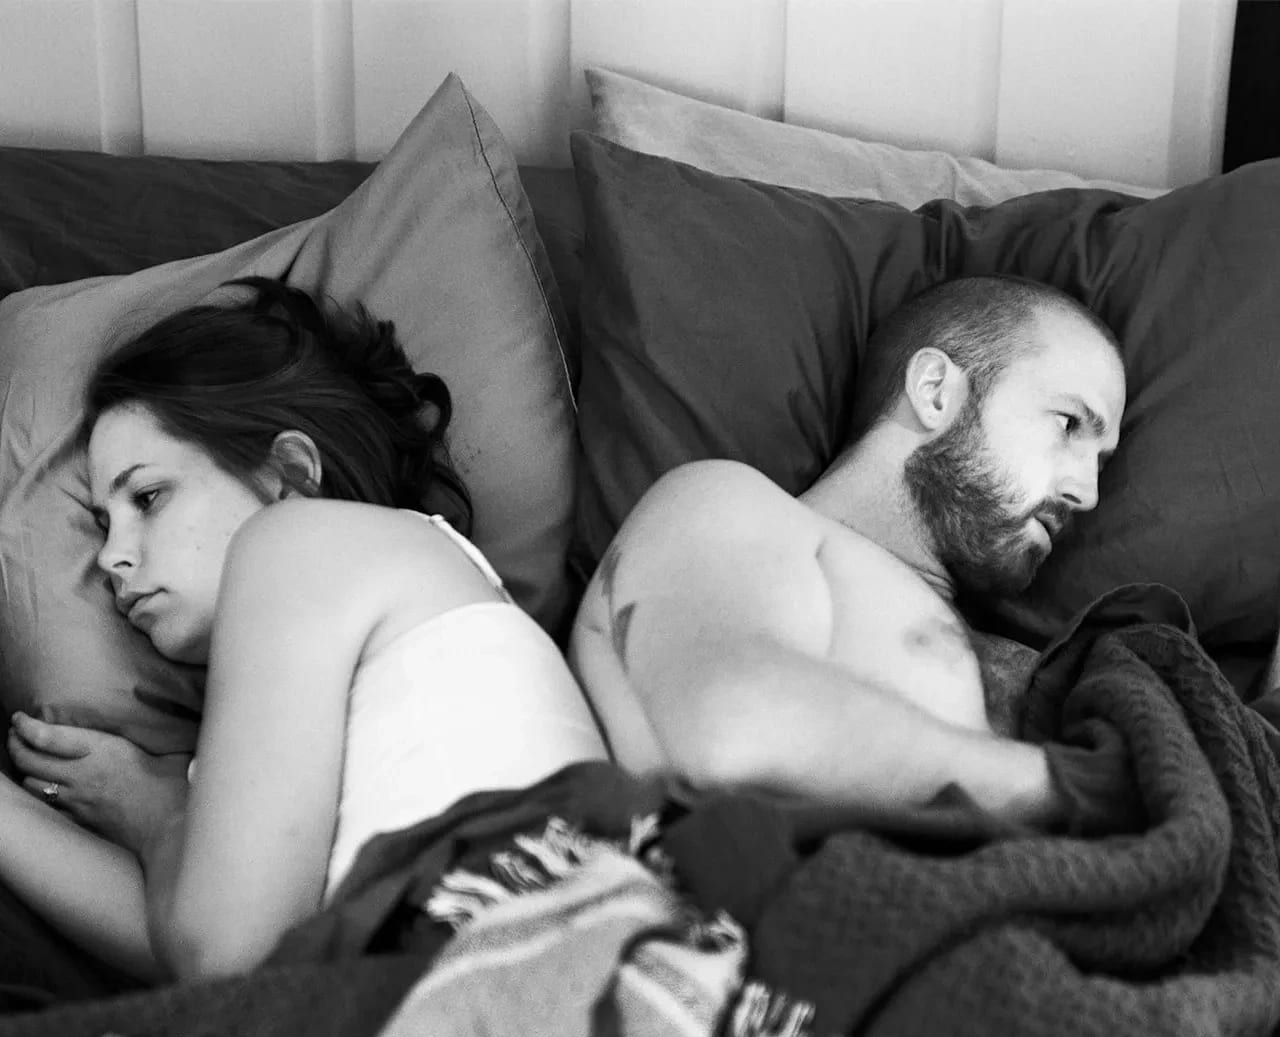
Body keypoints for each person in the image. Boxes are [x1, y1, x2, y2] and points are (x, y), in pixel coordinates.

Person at [1, 277, 606, 984]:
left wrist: (158, 814)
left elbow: (220, 954)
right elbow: (189, 943)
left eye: (149, 497)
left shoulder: (300, 541)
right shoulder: (308, 671)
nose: (111, 557)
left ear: (290, 474)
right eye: (104, 524)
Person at [570, 274, 1127, 833]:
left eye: (1100, 462)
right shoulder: (726, 504)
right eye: (1068, 423)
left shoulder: (1033, 658)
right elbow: (735, 730)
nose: (1088, 493)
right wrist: (1080, 790)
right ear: (936, 390)